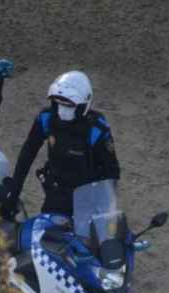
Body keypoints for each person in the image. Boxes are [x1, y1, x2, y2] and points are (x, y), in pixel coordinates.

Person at [6, 70, 120, 219]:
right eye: (58, 104)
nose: (62, 111)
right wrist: (14, 192)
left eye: (69, 106)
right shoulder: (46, 119)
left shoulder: (96, 130)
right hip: (56, 193)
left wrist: (105, 213)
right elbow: (28, 152)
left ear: (84, 105)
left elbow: (111, 172)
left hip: (88, 199)